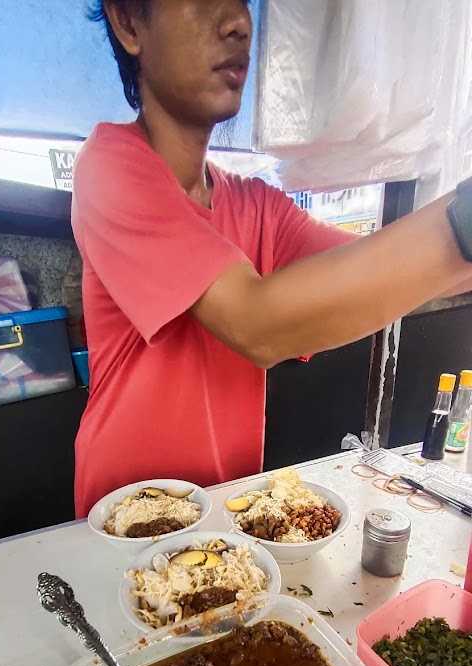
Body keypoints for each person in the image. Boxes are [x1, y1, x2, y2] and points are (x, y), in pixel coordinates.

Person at [72, 0, 472, 517]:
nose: (239, 22)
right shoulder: (111, 167)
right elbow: (257, 323)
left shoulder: (255, 205)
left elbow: (389, 271)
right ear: (128, 22)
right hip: (122, 520)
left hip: (225, 513)